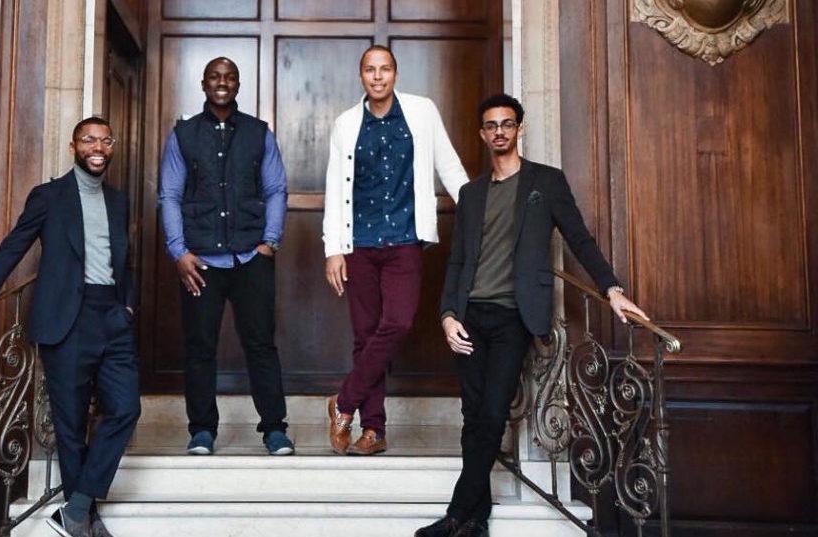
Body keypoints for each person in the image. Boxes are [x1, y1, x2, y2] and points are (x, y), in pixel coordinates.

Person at [415, 93, 649, 537]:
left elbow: (580, 239)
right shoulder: (471, 194)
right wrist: (447, 314)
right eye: (491, 125)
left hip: (512, 318)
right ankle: (476, 520)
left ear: (519, 129)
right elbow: (458, 261)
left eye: (507, 123)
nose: (500, 131)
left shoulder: (547, 182)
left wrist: (612, 290)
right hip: (469, 317)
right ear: (483, 134)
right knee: (473, 416)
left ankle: (455, 515)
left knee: (492, 414)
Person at [0, 117, 140, 537]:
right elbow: (15, 243)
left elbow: (123, 259)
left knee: (126, 408)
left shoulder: (119, 201)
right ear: (73, 147)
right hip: (66, 319)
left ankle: (77, 507)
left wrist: (126, 305)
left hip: (111, 318)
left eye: (105, 140)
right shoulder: (49, 197)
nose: (98, 148)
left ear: (112, 146)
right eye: (89, 140)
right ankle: (83, 517)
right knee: (70, 425)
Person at [322, 45, 469, 455]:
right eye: (370, 70)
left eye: (384, 69)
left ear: (395, 74)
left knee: (398, 323)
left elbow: (449, 166)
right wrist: (333, 249)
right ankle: (374, 430)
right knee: (365, 335)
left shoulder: (421, 111)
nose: (378, 76)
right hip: (359, 243)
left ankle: (343, 402)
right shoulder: (346, 123)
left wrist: (480, 212)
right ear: (361, 76)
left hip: (405, 238)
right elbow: (334, 186)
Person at [159, 56, 294, 456]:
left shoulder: (258, 132)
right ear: (204, 84)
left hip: (251, 258)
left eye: (230, 77)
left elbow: (276, 189)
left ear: (238, 84)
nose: (222, 82)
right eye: (215, 77)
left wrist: (269, 243)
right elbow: (170, 194)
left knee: (261, 345)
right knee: (200, 348)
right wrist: (179, 252)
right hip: (199, 263)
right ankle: (202, 430)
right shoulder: (183, 135)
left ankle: (274, 429)